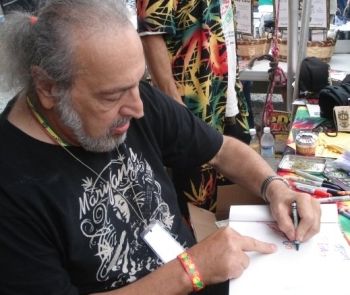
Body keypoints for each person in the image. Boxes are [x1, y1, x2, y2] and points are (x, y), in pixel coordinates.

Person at [0, 1, 321, 294]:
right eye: (112, 96)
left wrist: (276, 189)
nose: (138, 108)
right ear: (47, 87)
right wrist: (191, 270)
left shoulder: (134, 99)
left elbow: (223, 150)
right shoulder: (12, 187)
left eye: (138, 83)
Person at [137, 0, 252, 217]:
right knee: (197, 209)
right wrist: (176, 107)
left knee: (233, 205)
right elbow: (150, 32)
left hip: (225, 100)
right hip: (193, 105)